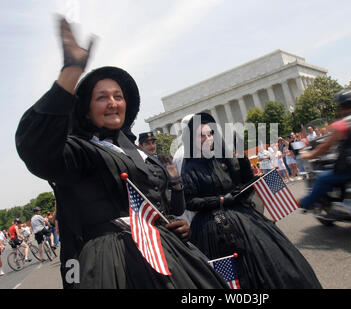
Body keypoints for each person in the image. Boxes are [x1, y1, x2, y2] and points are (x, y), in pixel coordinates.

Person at [15, 18, 228, 289]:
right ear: (86, 109)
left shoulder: (140, 153)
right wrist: (70, 72)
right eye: (102, 97)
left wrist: (176, 226)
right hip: (114, 268)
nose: (113, 102)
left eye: (118, 96)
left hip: (171, 256)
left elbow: (164, 206)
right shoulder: (78, 151)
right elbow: (36, 146)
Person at [181, 112, 322, 289]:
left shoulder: (225, 156)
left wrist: (243, 164)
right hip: (210, 229)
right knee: (226, 281)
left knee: (278, 264)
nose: (208, 139)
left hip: (245, 219)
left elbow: (248, 181)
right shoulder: (190, 166)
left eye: (210, 134)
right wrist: (222, 200)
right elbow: (190, 201)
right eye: (202, 136)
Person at [300, 89, 351, 211]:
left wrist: (309, 155)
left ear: (341, 106)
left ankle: (306, 203)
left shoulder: (342, 124)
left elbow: (326, 146)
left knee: (321, 178)